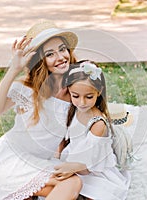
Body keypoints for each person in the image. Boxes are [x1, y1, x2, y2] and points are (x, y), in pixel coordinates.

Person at [0, 20, 82, 200]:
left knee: (65, 190)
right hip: (6, 161)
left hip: (38, 162)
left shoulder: (76, 89)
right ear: (40, 61)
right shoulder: (27, 89)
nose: (60, 57)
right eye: (50, 54)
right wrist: (14, 68)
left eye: (62, 49)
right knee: (72, 183)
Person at [53, 60, 131, 200]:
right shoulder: (73, 110)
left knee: (91, 193)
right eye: (75, 96)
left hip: (92, 168)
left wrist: (70, 168)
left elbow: (91, 160)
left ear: (98, 92)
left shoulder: (98, 124)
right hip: (72, 159)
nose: (82, 103)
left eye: (89, 97)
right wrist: (58, 155)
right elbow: (64, 138)